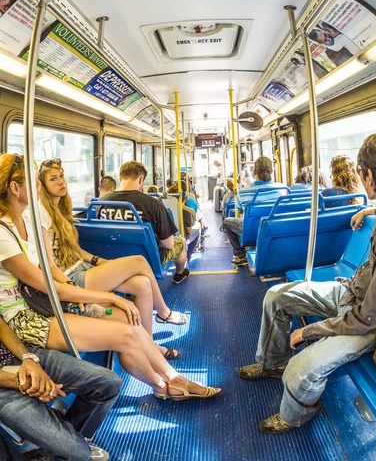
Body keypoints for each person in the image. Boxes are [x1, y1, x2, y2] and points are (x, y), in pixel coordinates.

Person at [0, 153, 221, 402]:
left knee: (131, 322)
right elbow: (50, 288)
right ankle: (164, 385)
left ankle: (173, 380)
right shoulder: (3, 233)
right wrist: (107, 298)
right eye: (34, 179)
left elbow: (48, 268)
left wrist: (77, 286)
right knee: (125, 335)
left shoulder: (26, 220)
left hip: (47, 301)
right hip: (29, 317)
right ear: (15, 187)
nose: (38, 184)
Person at [238, 133, 376, 434]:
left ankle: (296, 414)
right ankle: (273, 363)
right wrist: (367, 209)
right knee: (276, 296)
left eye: (362, 174)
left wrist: (309, 330)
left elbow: (369, 316)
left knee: (301, 371)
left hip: (369, 322)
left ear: (371, 176)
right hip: (351, 292)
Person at [38, 159, 189, 360]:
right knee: (139, 262)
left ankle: (150, 344)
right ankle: (163, 312)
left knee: (143, 284)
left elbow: (76, 250)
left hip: (81, 267)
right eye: (53, 179)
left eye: (62, 176)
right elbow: (47, 263)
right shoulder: (41, 213)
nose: (61, 182)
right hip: (70, 277)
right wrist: (71, 288)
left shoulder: (77, 209)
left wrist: (99, 261)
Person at [0, 317, 120, 460]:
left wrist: (28, 358)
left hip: (12, 356)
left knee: (109, 383)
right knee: (80, 453)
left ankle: (71, 437)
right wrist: (21, 382)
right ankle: (68, 444)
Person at [99, 161, 189, 285]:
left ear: (121, 178)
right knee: (181, 241)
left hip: (109, 257)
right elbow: (168, 244)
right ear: (141, 179)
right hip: (146, 259)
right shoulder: (152, 204)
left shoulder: (100, 203)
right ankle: (180, 274)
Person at [223, 157, 285, 266]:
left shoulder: (243, 193)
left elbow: (240, 212)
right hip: (277, 229)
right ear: (272, 171)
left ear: (254, 171)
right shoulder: (283, 190)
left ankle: (240, 255)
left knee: (227, 222)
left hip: (253, 231)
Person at [168, 185, 202, 260]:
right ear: (183, 199)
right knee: (196, 232)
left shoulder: (164, 210)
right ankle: (188, 256)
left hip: (166, 238)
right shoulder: (186, 211)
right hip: (181, 238)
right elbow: (189, 230)